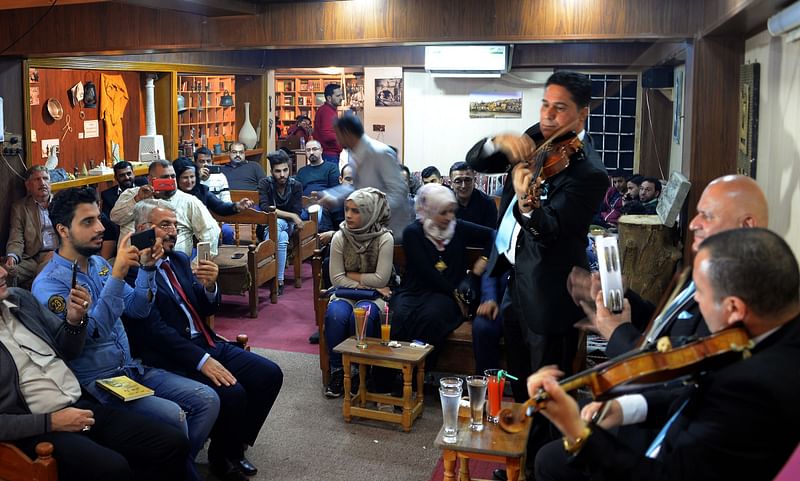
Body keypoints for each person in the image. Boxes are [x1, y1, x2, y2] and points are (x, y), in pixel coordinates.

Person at [530, 228, 800, 481]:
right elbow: (691, 390)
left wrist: (577, 432)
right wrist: (627, 408)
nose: (695, 301)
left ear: (734, 308)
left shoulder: (750, 389)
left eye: (701, 293)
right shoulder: (775, 333)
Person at [466, 71, 609, 479]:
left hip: (550, 296)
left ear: (581, 115)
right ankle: (521, 465)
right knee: (520, 384)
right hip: (514, 282)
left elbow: (551, 231)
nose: (547, 116)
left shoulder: (589, 174)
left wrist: (527, 202)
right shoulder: (534, 138)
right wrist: (497, 142)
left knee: (547, 393)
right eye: (545, 105)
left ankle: (542, 471)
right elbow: (476, 159)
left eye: (559, 108)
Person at [32, 187, 219, 481]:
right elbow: (90, 333)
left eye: (98, 218)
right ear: (63, 230)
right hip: (98, 385)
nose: (100, 228)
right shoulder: (49, 286)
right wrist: (118, 275)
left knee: (207, 400)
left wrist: (146, 269)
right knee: (175, 417)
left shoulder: (98, 264)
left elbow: (137, 309)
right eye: (88, 222)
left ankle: (171, 469)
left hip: (132, 369)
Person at [125, 200, 283, 481]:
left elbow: (204, 308)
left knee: (269, 374)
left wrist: (210, 287)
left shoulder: (180, 259)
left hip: (207, 341)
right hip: (169, 355)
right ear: (142, 230)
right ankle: (223, 458)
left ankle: (233, 446)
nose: (173, 231)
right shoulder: (132, 271)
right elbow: (155, 331)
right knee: (233, 392)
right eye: (164, 225)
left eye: (175, 224)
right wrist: (201, 361)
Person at [0, 264, 189, 481]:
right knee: (112, 467)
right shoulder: (46, 282)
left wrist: (74, 321)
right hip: (34, 429)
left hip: (79, 404)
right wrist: (51, 421)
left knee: (172, 443)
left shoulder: (20, 300)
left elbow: (68, 348)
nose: (4, 272)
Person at [571, 174, 769, 357]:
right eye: (698, 214)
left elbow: (675, 367)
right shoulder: (698, 274)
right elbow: (666, 324)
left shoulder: (741, 296)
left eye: (707, 216)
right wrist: (621, 295)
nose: (693, 224)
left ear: (746, 225)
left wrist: (617, 333)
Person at [390, 184, 493, 365]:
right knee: (400, 315)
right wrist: (456, 294)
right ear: (428, 210)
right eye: (443, 212)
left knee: (431, 318)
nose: (450, 217)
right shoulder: (413, 232)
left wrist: (480, 264)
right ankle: (395, 373)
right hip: (417, 290)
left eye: (452, 211)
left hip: (445, 296)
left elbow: (495, 236)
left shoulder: (458, 227)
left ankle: (418, 375)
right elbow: (427, 272)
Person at [323, 188, 394, 398]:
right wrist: (364, 283)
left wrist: (350, 275)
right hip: (344, 293)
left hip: (375, 297)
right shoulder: (340, 236)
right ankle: (339, 371)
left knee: (364, 314)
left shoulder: (384, 238)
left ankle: (363, 370)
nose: (348, 215)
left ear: (370, 212)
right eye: (346, 209)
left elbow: (381, 279)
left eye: (355, 211)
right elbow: (336, 278)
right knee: (336, 314)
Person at [320, 114, 412, 243]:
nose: (336, 139)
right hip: (369, 229)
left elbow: (398, 192)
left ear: (347, 133)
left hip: (391, 230)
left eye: (338, 134)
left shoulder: (380, 152)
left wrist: (370, 212)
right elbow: (357, 189)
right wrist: (332, 196)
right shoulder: (354, 154)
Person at [110, 159, 221, 257]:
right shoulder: (131, 194)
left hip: (175, 266)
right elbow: (116, 218)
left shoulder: (189, 201)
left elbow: (211, 232)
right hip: (131, 265)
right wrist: (138, 199)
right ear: (150, 179)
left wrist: (197, 265)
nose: (170, 180)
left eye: (173, 176)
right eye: (165, 177)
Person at [173, 157, 253, 245]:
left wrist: (237, 206)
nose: (189, 181)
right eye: (185, 177)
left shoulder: (202, 191)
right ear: (176, 178)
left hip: (202, 239)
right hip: (179, 238)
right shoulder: (171, 195)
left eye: (192, 177)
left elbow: (220, 206)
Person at [258, 150, 304, 294]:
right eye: (278, 171)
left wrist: (292, 216)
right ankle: (278, 281)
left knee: (278, 224)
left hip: (288, 225)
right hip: (266, 224)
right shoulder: (265, 183)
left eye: (285, 170)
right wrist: (292, 215)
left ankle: (265, 268)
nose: (282, 174)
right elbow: (265, 208)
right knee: (282, 238)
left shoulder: (296, 185)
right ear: (271, 171)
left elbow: (297, 211)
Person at [5, 166, 57, 288]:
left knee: (51, 268)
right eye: (37, 179)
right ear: (28, 185)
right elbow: (16, 237)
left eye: (45, 178)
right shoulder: (19, 208)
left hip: (58, 254)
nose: (42, 183)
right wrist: (12, 256)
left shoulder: (62, 203)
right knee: (8, 272)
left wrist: (59, 252)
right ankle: (11, 305)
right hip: (32, 258)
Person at [450, 161, 498, 228]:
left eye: (467, 180)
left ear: (475, 181)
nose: (463, 186)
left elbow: (491, 234)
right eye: (458, 181)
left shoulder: (487, 203)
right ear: (451, 184)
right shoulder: (446, 202)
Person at [314, 83, 344, 163]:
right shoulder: (327, 111)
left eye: (341, 95)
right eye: (338, 96)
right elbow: (327, 135)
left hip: (330, 154)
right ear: (329, 98)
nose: (341, 98)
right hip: (329, 155)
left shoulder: (329, 110)